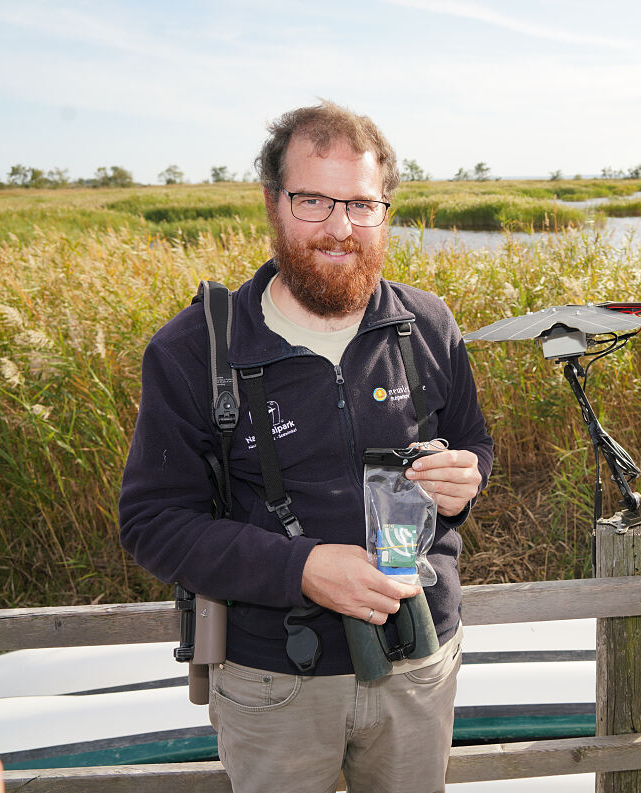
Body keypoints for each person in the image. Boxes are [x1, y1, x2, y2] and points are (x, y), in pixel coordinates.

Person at [120, 101, 493, 793]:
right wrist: (303, 568)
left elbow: (473, 442)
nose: (340, 227)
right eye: (313, 200)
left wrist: (466, 480)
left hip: (420, 660)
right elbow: (151, 523)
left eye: (360, 203)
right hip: (273, 686)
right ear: (271, 203)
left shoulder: (429, 324)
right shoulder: (194, 351)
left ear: (387, 208)